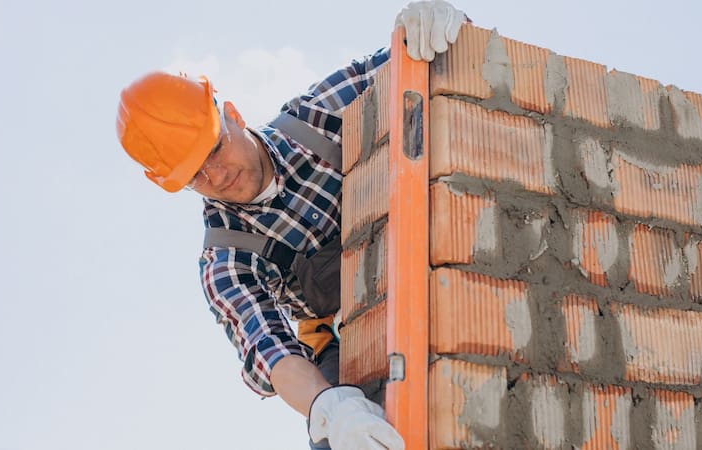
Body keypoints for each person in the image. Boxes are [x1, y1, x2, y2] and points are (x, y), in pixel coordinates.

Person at [116, 2, 466, 449]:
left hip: (429, 265)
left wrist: (433, 26)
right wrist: (329, 408)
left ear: (234, 116)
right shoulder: (227, 258)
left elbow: (417, 56)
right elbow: (271, 349)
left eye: (216, 149)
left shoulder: (320, 116)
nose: (217, 176)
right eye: (195, 176)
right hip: (346, 341)